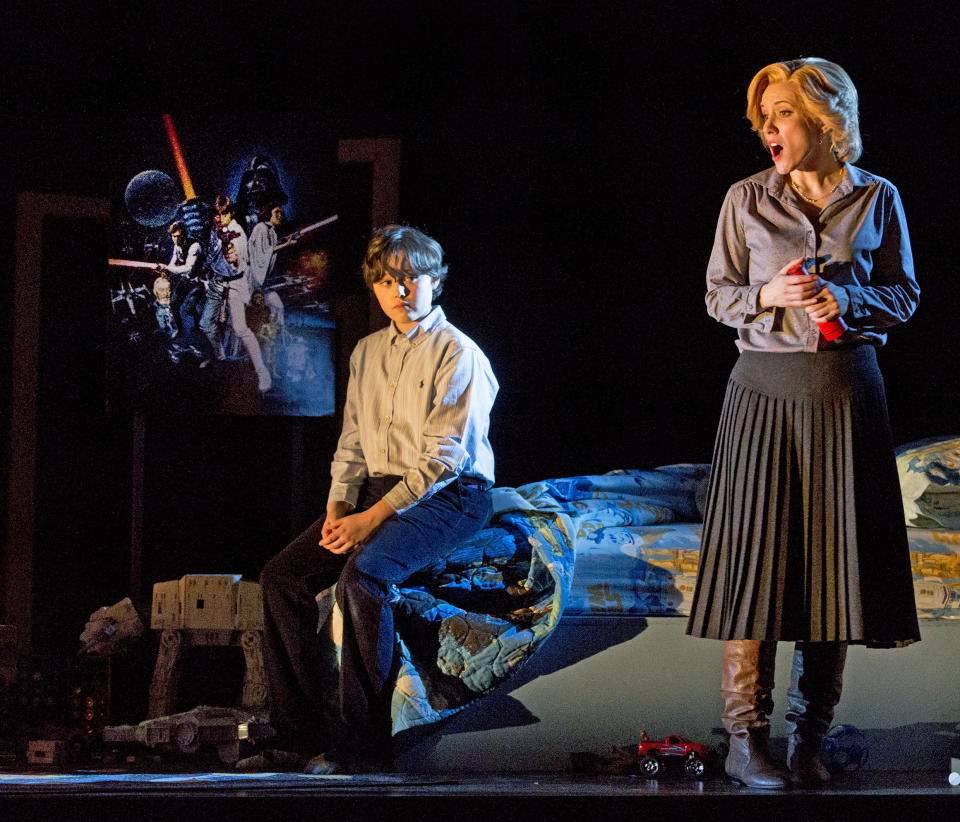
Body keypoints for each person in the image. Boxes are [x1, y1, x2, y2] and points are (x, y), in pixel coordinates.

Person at [686, 58, 920, 789]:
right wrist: (768, 291)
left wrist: (846, 304)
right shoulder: (745, 199)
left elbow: (905, 294)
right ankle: (745, 738)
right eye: (763, 118)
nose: (768, 130)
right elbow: (717, 295)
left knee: (833, 569)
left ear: (824, 120)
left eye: (781, 114)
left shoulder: (878, 197)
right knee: (756, 562)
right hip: (763, 391)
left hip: (847, 391)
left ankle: (809, 736)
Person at [257, 225, 498, 773]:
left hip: (449, 494)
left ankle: (362, 743)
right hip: (376, 488)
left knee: (363, 578)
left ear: (434, 281)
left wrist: (371, 520)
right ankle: (297, 733)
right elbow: (352, 441)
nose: (400, 290)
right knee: (281, 576)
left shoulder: (458, 353)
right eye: (388, 281)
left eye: (411, 278)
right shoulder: (367, 352)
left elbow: (442, 461)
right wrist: (340, 508)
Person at [197, 195, 272, 392]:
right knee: (206, 323)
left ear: (231, 213)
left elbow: (236, 263)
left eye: (224, 214)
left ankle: (262, 372)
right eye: (217, 214)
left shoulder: (237, 234)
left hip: (235, 284)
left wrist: (232, 256)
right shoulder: (215, 228)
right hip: (217, 282)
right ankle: (220, 356)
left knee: (240, 329)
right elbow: (212, 255)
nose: (220, 218)